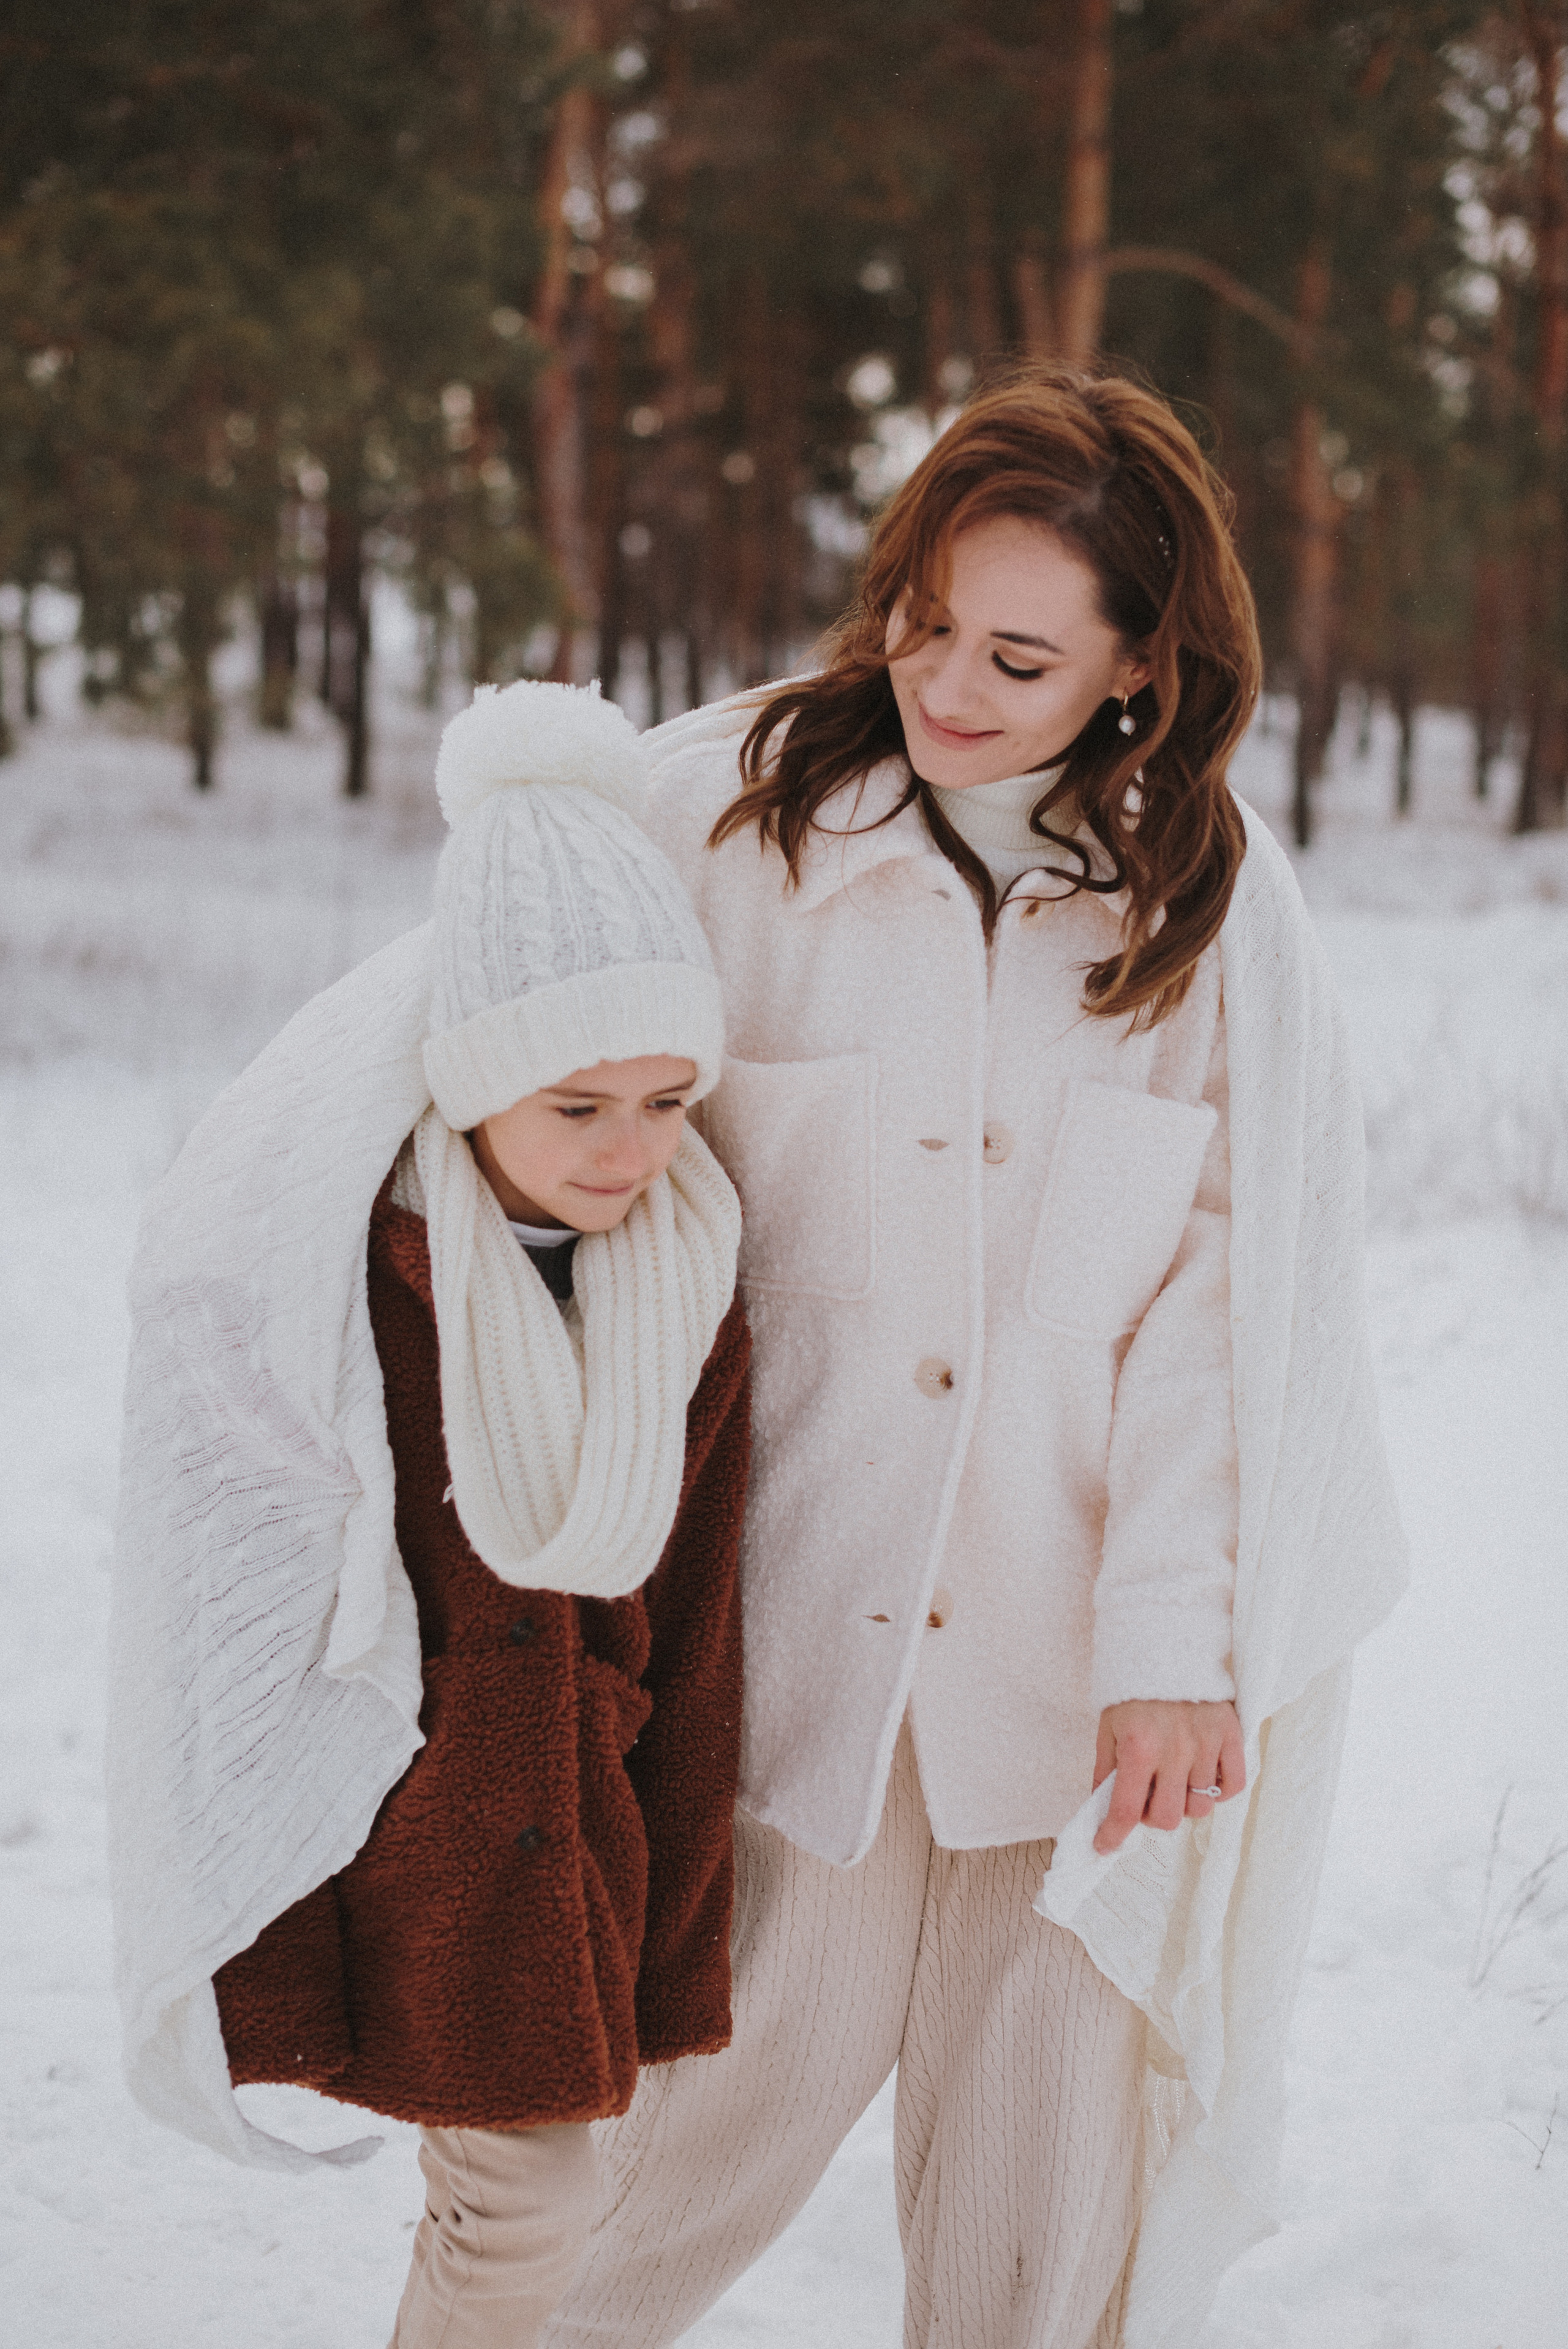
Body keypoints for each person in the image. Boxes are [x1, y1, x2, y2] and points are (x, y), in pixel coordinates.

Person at [539, 369, 1407, 2349]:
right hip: (783, 1679)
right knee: (627, 2207)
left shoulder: (1203, 921)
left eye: (1018, 655)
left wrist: (1180, 1642)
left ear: (1138, 673)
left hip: (1070, 1704)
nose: (946, 681)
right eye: (926, 620)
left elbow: (1225, 1311)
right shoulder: (722, 817)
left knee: (1036, 2249)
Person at [107, 683, 752, 2349]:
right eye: (578, 1106)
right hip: (414, 1821)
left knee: (526, 2203)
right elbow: (242, 1580)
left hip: (581, 1815)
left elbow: (698, 1621)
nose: (633, 1153)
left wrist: (675, 1931)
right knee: (518, 2207)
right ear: (472, 1084)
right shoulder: (358, 1279)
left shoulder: (693, 1285)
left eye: (669, 1098)